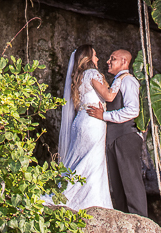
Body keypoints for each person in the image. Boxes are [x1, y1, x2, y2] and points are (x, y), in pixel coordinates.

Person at [87, 49, 148, 217]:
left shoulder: (128, 81)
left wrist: (104, 115)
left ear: (124, 62)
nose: (108, 61)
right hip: (114, 138)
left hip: (126, 137)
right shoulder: (116, 81)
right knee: (118, 184)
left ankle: (140, 222)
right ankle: (124, 222)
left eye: (112, 59)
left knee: (131, 182)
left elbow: (132, 110)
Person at [57, 45, 113, 209]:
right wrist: (121, 80)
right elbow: (108, 96)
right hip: (92, 121)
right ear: (88, 58)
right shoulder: (91, 73)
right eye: (95, 55)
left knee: (79, 160)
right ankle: (93, 202)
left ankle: (73, 195)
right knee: (93, 160)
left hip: (80, 120)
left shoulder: (78, 77)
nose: (97, 59)